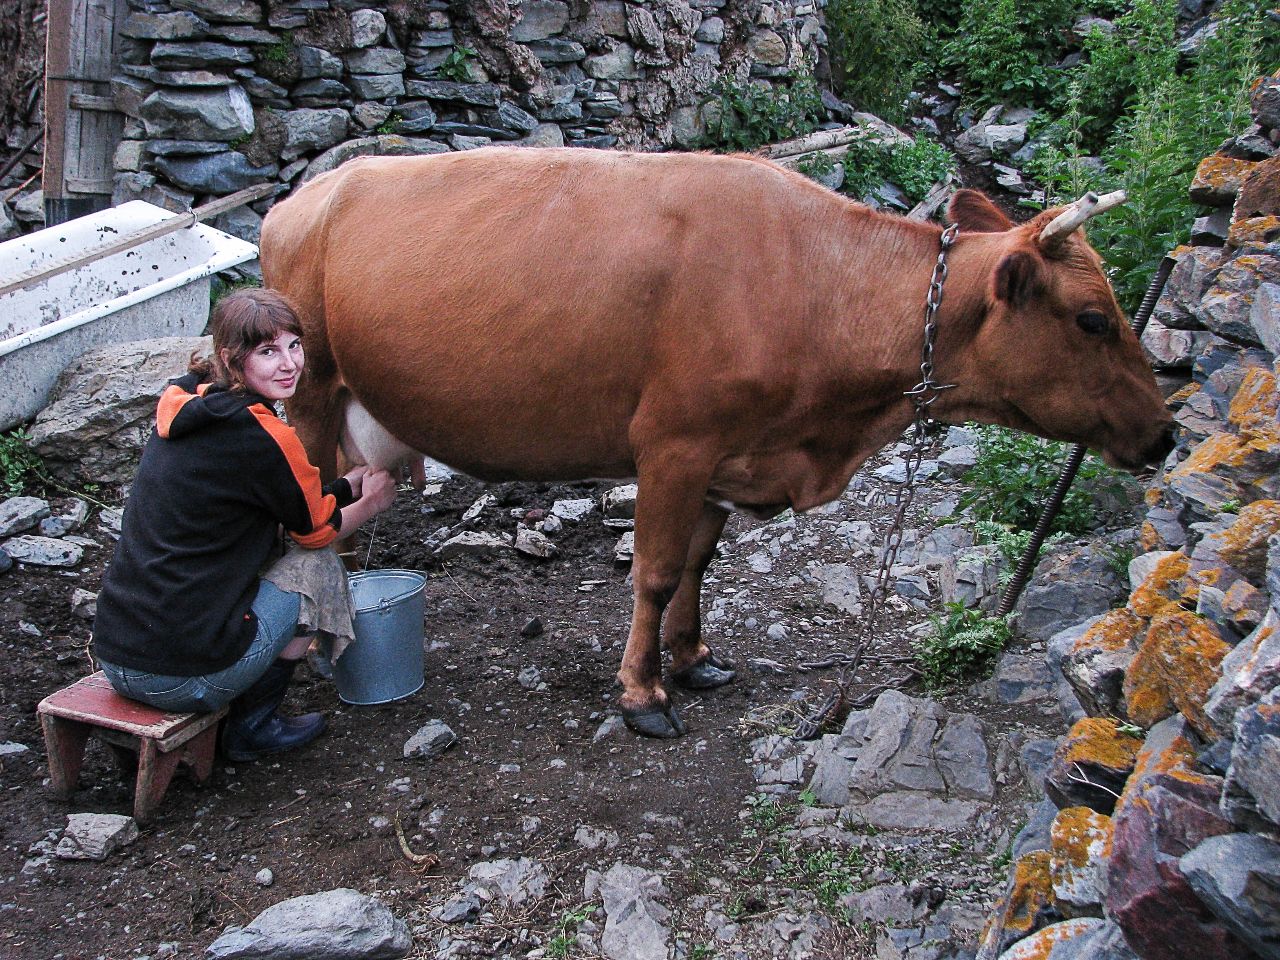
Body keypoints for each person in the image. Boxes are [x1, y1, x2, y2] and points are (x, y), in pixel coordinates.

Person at [92, 288, 397, 761]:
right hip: (181, 679)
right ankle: (253, 728)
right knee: (317, 567)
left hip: (116, 655)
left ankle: (241, 702)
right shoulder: (265, 436)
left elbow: (281, 500)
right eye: (268, 351)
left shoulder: (185, 404)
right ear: (233, 359)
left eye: (294, 345)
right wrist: (372, 502)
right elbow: (315, 533)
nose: (289, 364)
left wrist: (340, 488)